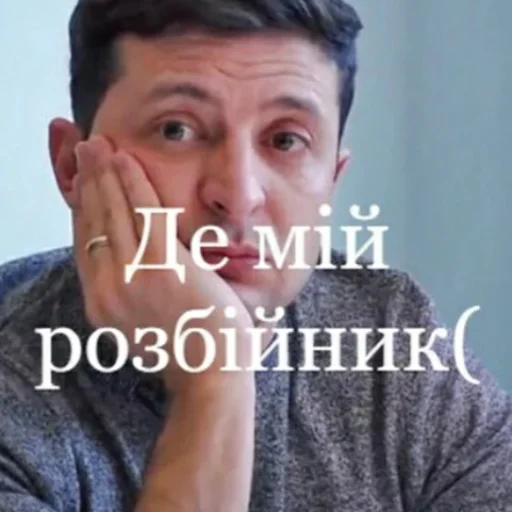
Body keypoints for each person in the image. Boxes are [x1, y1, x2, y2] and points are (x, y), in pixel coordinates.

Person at [0, 0, 511, 510]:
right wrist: (214, 381)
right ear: (72, 167)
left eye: (286, 139)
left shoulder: (396, 341)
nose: (239, 195)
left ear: (332, 181)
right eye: (176, 130)